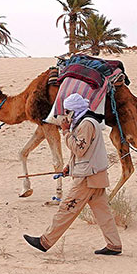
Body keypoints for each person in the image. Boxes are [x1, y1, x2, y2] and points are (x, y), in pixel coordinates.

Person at [23, 93, 122, 256]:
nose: (66, 115)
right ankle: (114, 245)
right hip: (94, 175)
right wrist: (70, 166)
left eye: (68, 111)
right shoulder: (88, 122)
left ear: (75, 111)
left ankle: (45, 241)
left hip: (87, 178)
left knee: (66, 209)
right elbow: (85, 152)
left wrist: (66, 132)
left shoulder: (86, 125)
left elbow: (79, 149)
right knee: (103, 213)